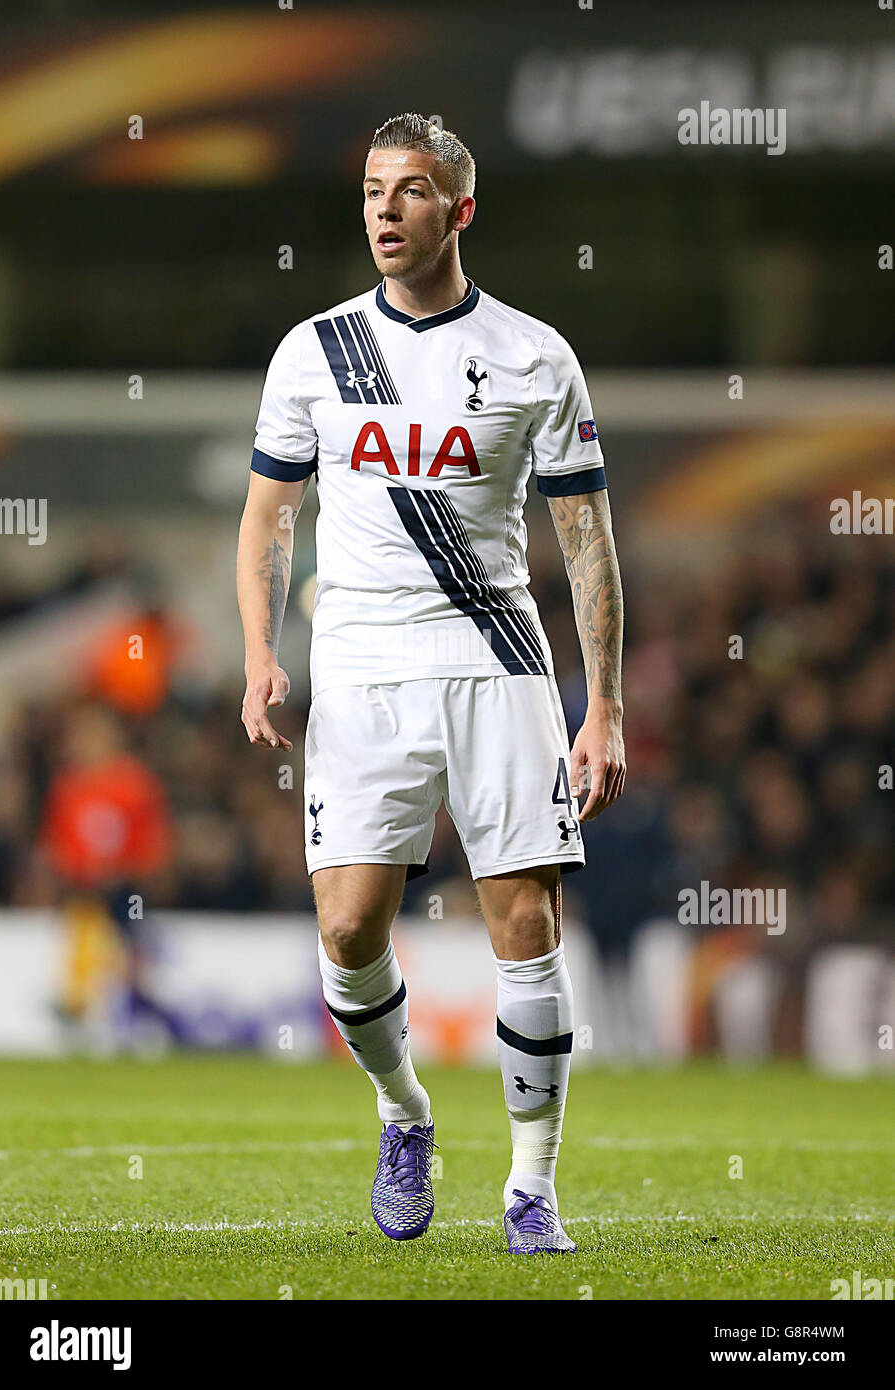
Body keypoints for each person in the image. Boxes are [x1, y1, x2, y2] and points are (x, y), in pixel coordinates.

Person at [236, 114, 625, 1254]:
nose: (385, 210)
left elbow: (588, 538)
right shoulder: (315, 351)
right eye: (370, 189)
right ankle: (405, 1113)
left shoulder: (534, 355)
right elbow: (270, 514)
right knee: (350, 925)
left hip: (497, 653)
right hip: (359, 662)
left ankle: (532, 1187)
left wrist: (601, 704)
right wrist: (261, 648)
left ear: (460, 210)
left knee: (524, 919)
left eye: (411, 191)